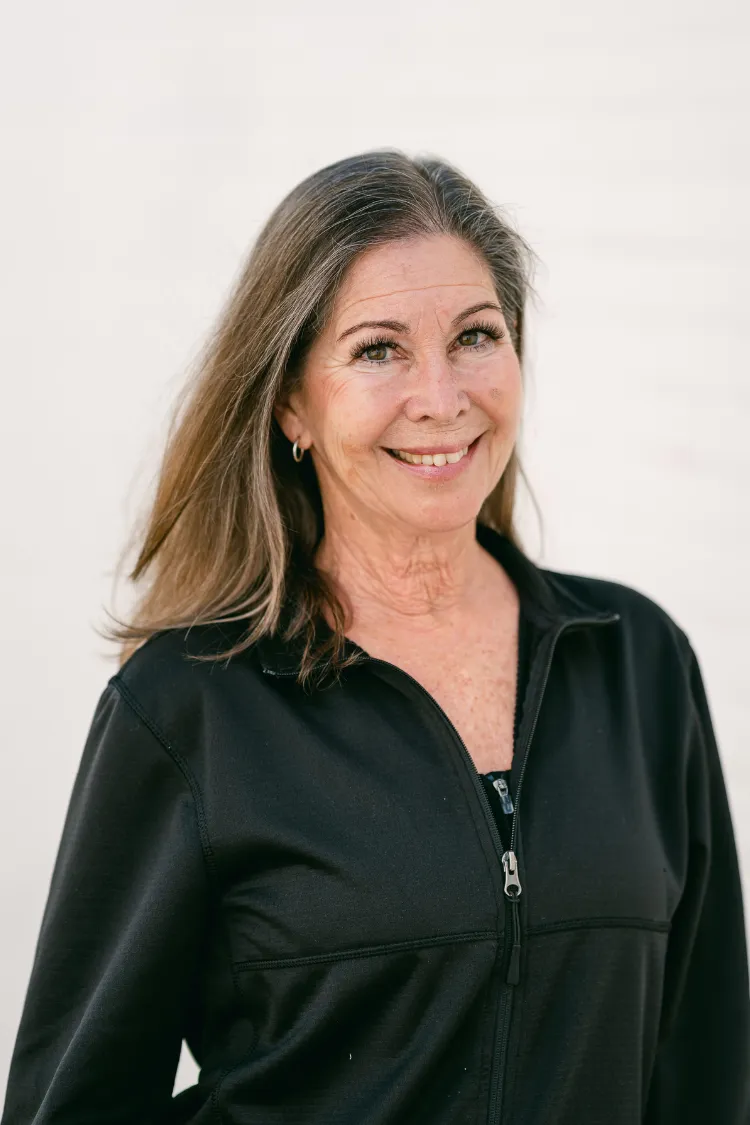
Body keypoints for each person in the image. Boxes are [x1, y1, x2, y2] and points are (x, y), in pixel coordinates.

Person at [2, 149, 748, 1125]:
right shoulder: (189, 709)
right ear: (290, 404)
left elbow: (707, 1071)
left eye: (476, 336)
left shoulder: (638, 663)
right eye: (378, 350)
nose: (440, 398)